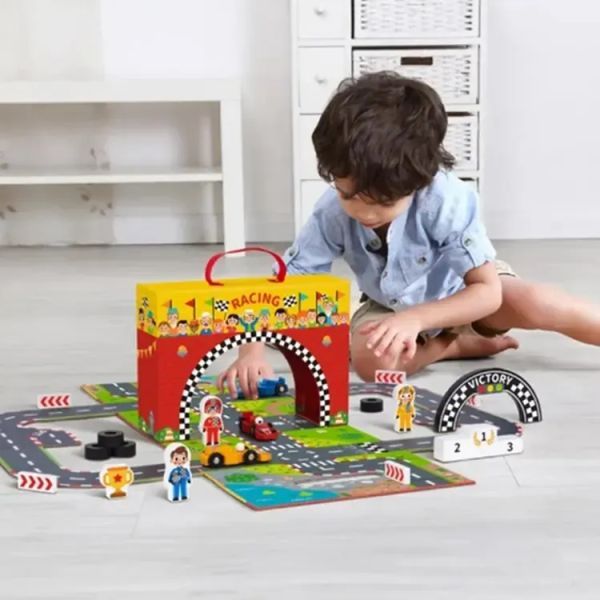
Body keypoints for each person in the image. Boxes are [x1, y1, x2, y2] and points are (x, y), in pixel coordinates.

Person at [217, 72, 600, 399]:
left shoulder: (446, 199)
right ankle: (450, 347)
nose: (363, 212)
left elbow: (487, 292)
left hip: (464, 296)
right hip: (390, 308)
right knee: (371, 363)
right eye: (348, 194)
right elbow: (286, 284)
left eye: (382, 203)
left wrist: (419, 318)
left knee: (537, 301)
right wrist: (251, 351)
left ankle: (459, 335)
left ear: (418, 181)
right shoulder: (331, 211)